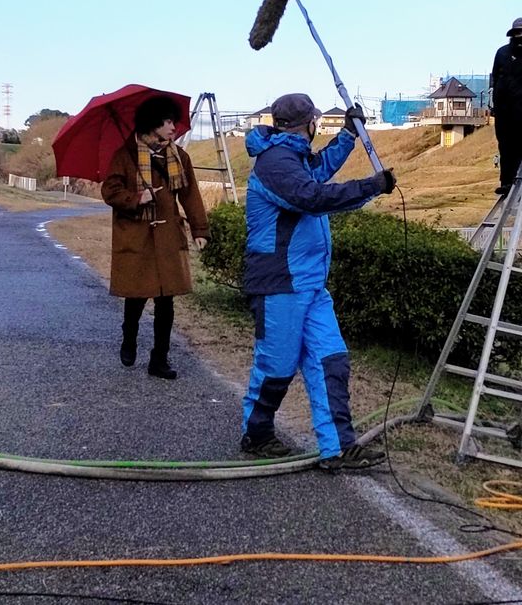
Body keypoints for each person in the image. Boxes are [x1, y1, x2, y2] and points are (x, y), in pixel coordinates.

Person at [240, 93, 396, 469]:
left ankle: (338, 446)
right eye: (315, 119)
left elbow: (318, 170)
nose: (316, 125)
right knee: (276, 367)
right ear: (307, 122)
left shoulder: (293, 157)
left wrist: (348, 135)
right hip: (280, 284)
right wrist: (371, 186)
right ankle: (256, 434)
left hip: (310, 284)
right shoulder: (275, 163)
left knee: (331, 361)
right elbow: (311, 197)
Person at [101, 95, 210, 380]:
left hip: (168, 236)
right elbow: (109, 191)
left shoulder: (178, 156)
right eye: (167, 122)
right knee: (136, 296)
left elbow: (190, 195)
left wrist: (200, 230)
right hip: (136, 236)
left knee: (166, 301)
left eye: (173, 121)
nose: (173, 127)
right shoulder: (125, 155)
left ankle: (159, 359)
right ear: (153, 123)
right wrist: (137, 197)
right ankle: (129, 338)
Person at [491, 17, 522, 196]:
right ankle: (506, 181)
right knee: (506, 147)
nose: (519, 37)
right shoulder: (502, 53)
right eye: (517, 33)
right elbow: (494, 78)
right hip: (504, 111)